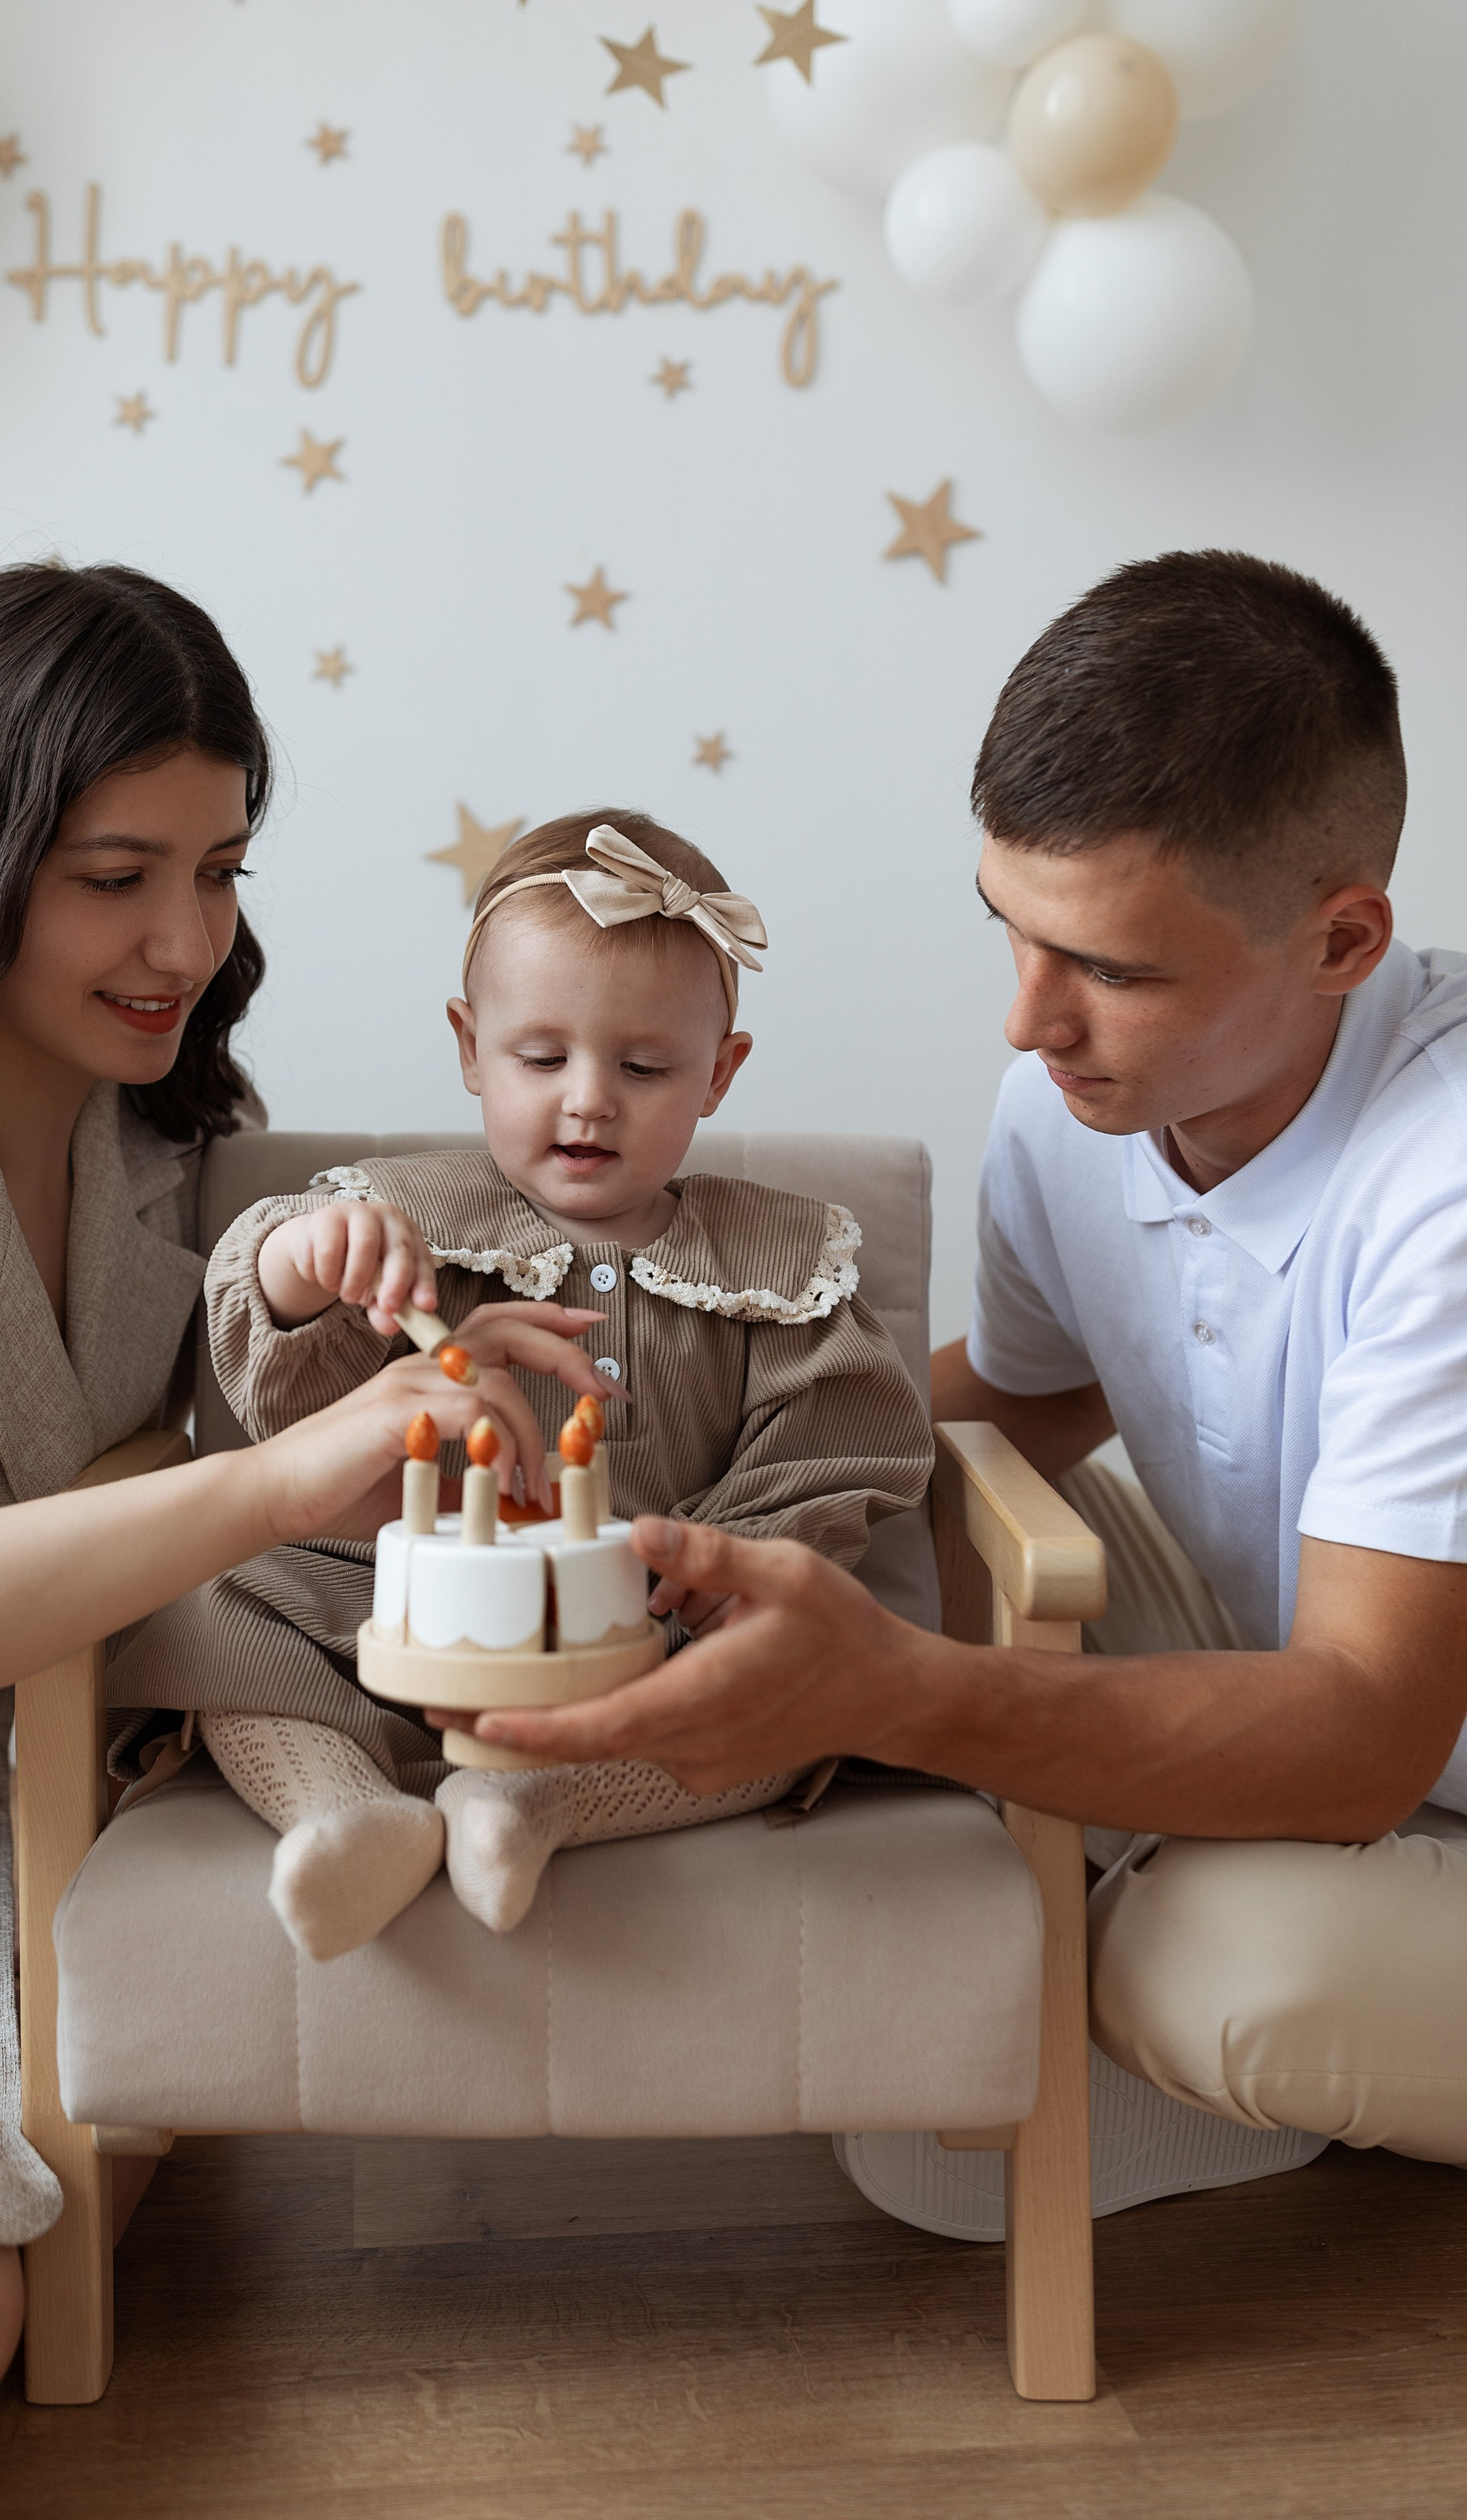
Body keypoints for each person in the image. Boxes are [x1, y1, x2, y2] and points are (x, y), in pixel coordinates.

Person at [0, 565, 605, 2520]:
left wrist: (379, 1349)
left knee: (66, 2236)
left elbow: (164, 1436)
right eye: (118, 873)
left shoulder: (164, 1148)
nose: (184, 937)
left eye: (224, 870)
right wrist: (271, 1485)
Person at [465, 553, 1467, 2197]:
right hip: (1311, 1657)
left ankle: (1162, 1930)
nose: (1026, 1023)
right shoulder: (1077, 1106)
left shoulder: (1436, 1174)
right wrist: (641, 1493)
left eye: (1113, 970)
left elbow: (1366, 1730)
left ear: (1340, 936)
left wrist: (889, 1695)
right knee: (897, 1530)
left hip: (1387, 1730)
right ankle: (1120, 1892)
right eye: (1006, 931)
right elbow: (1014, 1399)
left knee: (1203, 1972)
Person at [156, 811, 933, 1959]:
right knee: (209, 1595)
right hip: (397, 1614)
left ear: (720, 1072)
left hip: (649, 1641)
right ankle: (342, 1811)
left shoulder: (779, 1261)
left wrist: (729, 1573)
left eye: (644, 1065)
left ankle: (534, 1806)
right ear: (471, 1048)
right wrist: (299, 1263)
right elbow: (287, 1399)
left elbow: (842, 1439)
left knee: (800, 1685)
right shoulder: (399, 1217)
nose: (587, 1099)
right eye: (540, 1057)